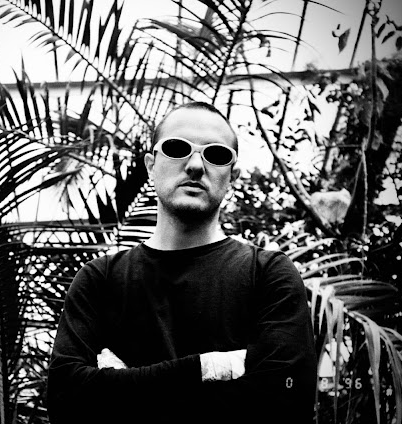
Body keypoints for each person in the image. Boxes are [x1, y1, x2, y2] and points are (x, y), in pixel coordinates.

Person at [47, 101, 317, 424]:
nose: (195, 165)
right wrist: (211, 368)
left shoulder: (268, 275)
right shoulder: (99, 280)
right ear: (150, 166)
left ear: (232, 176)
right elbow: (66, 400)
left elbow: (286, 403)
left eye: (216, 155)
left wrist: (122, 386)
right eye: (177, 149)